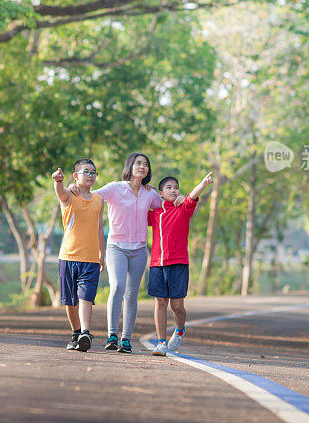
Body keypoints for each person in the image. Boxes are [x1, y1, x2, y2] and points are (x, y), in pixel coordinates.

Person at [85, 153, 182, 353]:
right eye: (138, 163)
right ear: (130, 166)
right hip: (116, 247)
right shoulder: (115, 188)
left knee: (131, 294)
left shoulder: (150, 194)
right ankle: (112, 335)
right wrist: (74, 188)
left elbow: (167, 208)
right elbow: (92, 195)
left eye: (146, 164)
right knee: (118, 286)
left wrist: (179, 199)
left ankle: (126, 339)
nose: (142, 167)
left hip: (139, 249)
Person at [147, 171, 214, 356]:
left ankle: (180, 329)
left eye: (176, 187)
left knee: (177, 306)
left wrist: (203, 183)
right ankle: (161, 342)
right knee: (160, 302)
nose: (174, 190)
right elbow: (137, 204)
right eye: (169, 188)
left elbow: (192, 196)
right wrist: (145, 189)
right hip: (157, 264)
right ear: (160, 193)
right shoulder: (155, 213)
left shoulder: (183, 209)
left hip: (178, 264)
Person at [52, 159, 106, 352]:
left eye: (93, 172)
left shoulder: (99, 199)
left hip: (90, 259)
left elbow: (100, 227)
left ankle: (85, 332)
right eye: (86, 172)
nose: (90, 175)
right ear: (76, 176)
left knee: (85, 297)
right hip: (68, 256)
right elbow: (61, 194)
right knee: (70, 301)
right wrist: (59, 181)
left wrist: (102, 253)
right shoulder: (70, 194)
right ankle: (76, 332)